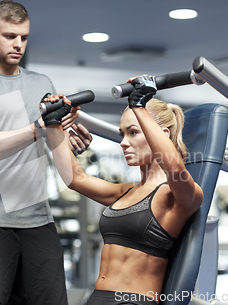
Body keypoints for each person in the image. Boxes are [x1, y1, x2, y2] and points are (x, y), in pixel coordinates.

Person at [0, 1, 92, 304]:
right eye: (10, 36)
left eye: (24, 37)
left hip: (39, 222)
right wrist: (37, 127)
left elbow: (53, 142)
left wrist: (68, 138)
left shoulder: (41, 84)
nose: (18, 44)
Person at [43, 75, 204, 305]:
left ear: (162, 135)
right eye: (122, 134)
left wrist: (139, 106)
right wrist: (53, 124)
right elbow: (75, 178)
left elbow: (175, 167)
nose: (123, 142)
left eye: (133, 132)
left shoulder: (180, 196)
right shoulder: (126, 192)